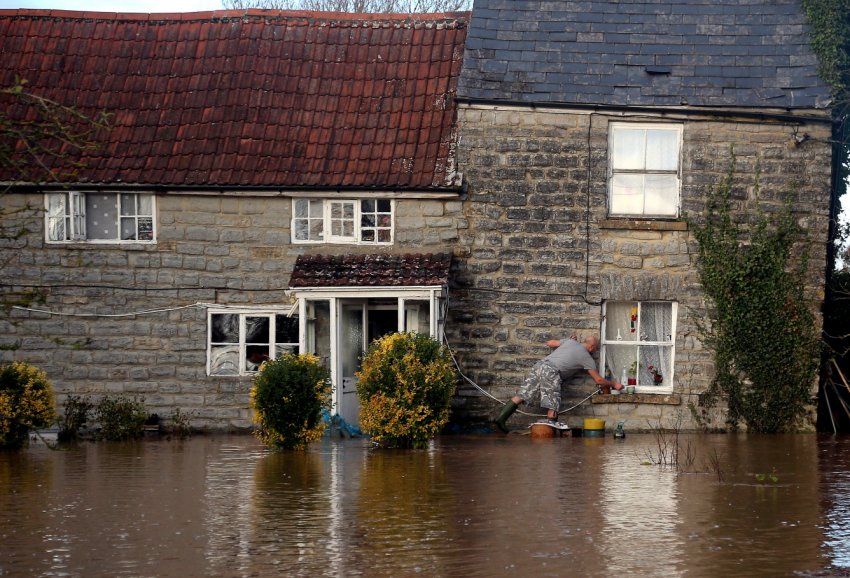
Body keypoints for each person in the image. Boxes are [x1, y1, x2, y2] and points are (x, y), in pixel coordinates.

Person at [493, 335, 623, 433]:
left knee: (524, 393)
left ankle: (501, 418)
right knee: (553, 399)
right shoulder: (587, 357)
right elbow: (598, 380)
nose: (595, 351)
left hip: (540, 365)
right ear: (592, 347)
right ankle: (550, 431)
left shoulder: (570, 341)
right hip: (551, 371)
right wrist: (614, 384)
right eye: (596, 349)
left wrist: (567, 340)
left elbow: (550, 343)